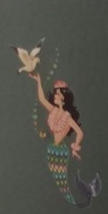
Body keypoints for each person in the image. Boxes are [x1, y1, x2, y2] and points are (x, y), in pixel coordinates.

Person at [29, 72, 84, 203]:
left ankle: (71, 198)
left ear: (64, 99)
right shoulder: (53, 110)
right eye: (56, 93)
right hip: (52, 148)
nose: (55, 95)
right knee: (57, 178)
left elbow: (80, 132)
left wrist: (75, 148)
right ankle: (67, 198)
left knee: (62, 178)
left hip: (61, 150)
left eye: (58, 94)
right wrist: (38, 81)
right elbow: (42, 99)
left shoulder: (67, 117)